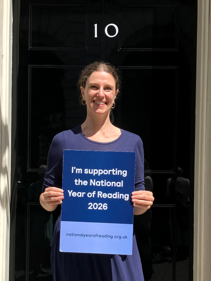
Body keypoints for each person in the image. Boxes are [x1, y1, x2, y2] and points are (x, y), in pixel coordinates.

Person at [40, 61, 155, 281]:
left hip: (116, 244)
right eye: (93, 87)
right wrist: (48, 199)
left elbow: (136, 207)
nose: (100, 94)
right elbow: (46, 201)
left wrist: (143, 204)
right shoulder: (62, 141)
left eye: (107, 88)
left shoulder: (133, 142)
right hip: (73, 244)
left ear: (115, 95)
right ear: (82, 92)